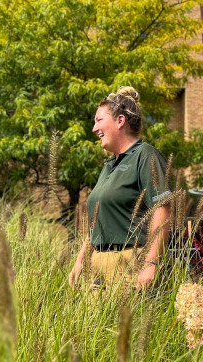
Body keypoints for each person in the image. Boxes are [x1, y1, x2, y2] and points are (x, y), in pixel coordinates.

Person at [68, 87, 171, 290]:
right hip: (98, 265)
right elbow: (98, 221)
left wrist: (151, 263)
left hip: (129, 262)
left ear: (120, 121)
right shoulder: (109, 166)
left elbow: (163, 208)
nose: (94, 129)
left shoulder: (145, 155)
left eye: (98, 121)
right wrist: (81, 260)